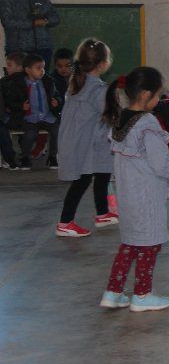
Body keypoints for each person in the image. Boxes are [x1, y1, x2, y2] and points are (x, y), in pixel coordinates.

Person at [100, 67, 169, 312]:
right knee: (149, 245)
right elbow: (161, 164)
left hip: (128, 197)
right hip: (147, 197)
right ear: (146, 94)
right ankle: (142, 295)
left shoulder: (120, 119)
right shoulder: (148, 123)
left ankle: (113, 292)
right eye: (159, 95)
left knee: (129, 244)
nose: (160, 100)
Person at [56, 39, 117, 237]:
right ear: (102, 64)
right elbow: (112, 115)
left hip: (87, 141)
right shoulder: (98, 89)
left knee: (102, 170)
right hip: (84, 143)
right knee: (82, 180)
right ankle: (65, 223)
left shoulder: (77, 84)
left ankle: (102, 213)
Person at [2, 53, 61, 170]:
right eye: (38, 68)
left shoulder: (48, 82)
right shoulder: (19, 84)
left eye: (43, 67)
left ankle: (53, 156)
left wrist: (57, 102)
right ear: (28, 70)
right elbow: (11, 100)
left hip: (46, 116)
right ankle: (25, 157)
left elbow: (56, 94)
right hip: (29, 117)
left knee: (57, 131)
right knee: (30, 134)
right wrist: (20, 106)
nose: (42, 71)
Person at [0, 0, 59, 65]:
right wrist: (32, 23)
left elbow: (55, 17)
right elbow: (7, 21)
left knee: (42, 80)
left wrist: (46, 21)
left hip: (43, 48)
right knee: (20, 80)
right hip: (18, 50)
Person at [0, 51, 27, 169]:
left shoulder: (9, 82)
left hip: (17, 117)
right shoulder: (28, 80)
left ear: (20, 67)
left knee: (1, 128)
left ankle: (9, 159)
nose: (7, 67)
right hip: (19, 116)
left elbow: (12, 102)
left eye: (10, 65)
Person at [50, 47, 73, 113]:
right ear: (55, 66)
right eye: (59, 66)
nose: (63, 69)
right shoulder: (52, 79)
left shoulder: (77, 77)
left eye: (67, 66)